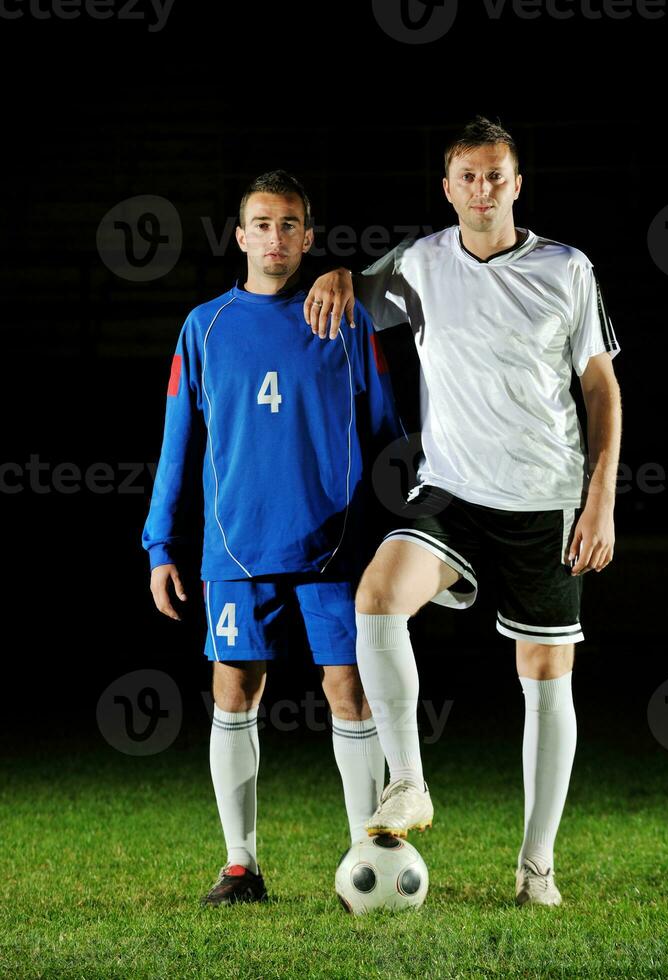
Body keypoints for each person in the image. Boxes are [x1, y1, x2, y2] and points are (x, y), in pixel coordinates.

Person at [304, 117, 622, 907]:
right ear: (447, 189)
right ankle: (407, 780)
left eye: (496, 176)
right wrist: (340, 272)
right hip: (449, 487)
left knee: (546, 678)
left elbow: (599, 387)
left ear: (517, 184)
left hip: (544, 496)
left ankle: (534, 866)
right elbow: (352, 296)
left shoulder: (566, 268)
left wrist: (600, 498)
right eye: (467, 177)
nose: (482, 190)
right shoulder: (419, 262)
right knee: (376, 598)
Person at [142, 170, 402, 906]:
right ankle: (240, 866)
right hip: (236, 545)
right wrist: (159, 544)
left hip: (336, 545)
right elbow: (176, 444)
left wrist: (414, 527)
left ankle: (368, 863)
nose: (276, 238)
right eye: (262, 223)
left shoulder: (345, 319)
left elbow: (389, 431)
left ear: (309, 237)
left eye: (290, 225)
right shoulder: (205, 326)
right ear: (239, 235)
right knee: (235, 690)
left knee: (349, 691)